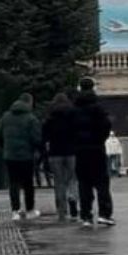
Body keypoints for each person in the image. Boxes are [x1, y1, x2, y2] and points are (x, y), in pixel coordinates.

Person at [72, 77, 116, 227]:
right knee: (102, 182)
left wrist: (76, 141)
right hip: (97, 148)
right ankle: (104, 214)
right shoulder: (98, 107)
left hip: (80, 150)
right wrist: (100, 139)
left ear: (79, 88)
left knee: (84, 183)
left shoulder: (74, 108)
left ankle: (86, 216)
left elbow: (69, 128)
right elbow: (106, 125)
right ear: (93, 88)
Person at [0, 94, 42, 221]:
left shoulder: (6, 117)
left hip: (10, 155)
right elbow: (36, 139)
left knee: (13, 183)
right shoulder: (31, 118)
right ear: (29, 102)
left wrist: (5, 148)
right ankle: (30, 210)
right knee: (28, 184)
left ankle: (15, 210)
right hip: (26, 156)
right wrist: (37, 150)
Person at [42, 92, 80, 222]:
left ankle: (62, 210)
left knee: (59, 182)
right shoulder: (73, 116)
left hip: (55, 153)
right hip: (71, 152)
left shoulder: (50, 118)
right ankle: (73, 199)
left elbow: (44, 137)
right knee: (72, 179)